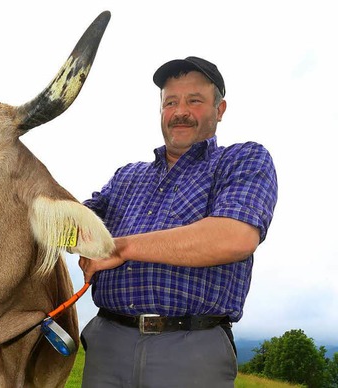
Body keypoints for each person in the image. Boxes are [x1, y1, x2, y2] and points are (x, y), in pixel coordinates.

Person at [78, 56, 278, 387]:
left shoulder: (242, 160)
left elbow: (235, 237)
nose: (180, 111)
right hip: (106, 345)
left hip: (192, 350)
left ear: (220, 109)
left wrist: (122, 247)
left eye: (194, 101)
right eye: (170, 102)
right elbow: (75, 225)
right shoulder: (126, 176)